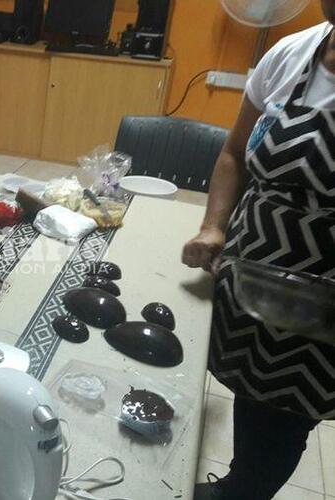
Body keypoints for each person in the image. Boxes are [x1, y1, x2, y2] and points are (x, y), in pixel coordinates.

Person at [182, 3, 335, 499]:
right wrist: (213, 226)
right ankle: (234, 483)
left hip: (324, 310)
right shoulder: (293, 51)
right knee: (250, 398)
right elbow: (233, 153)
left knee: (284, 420)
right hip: (252, 272)